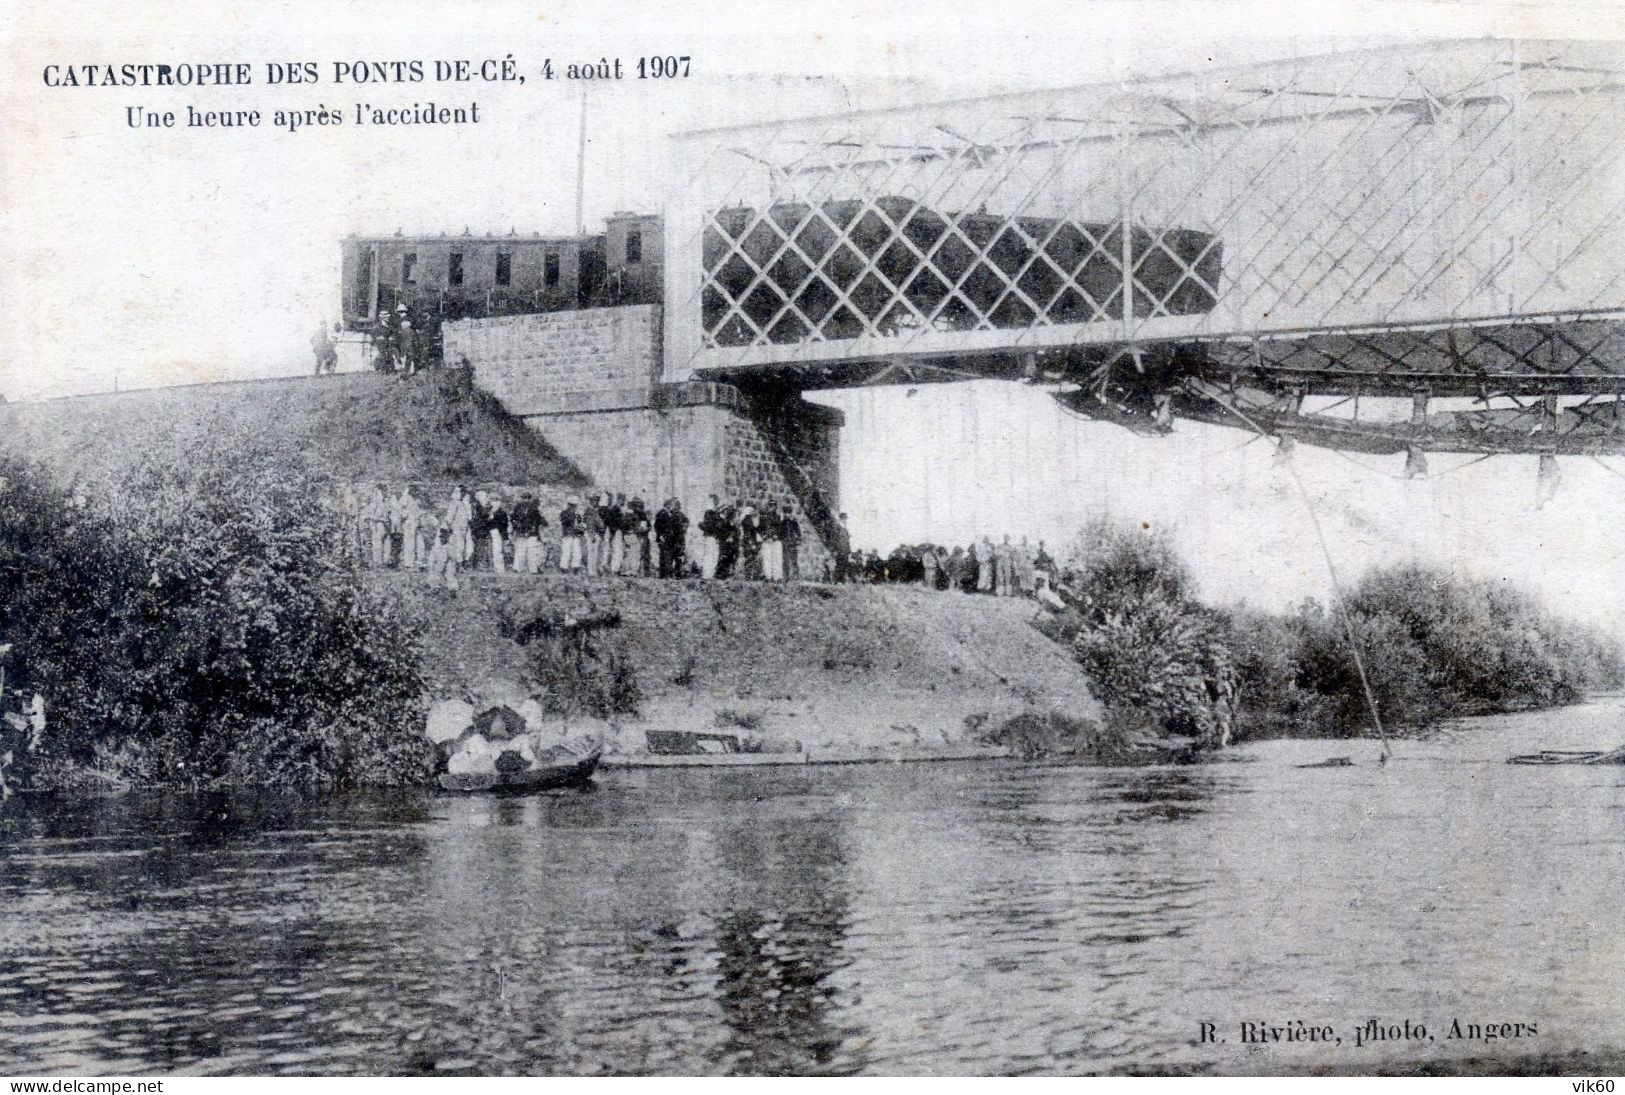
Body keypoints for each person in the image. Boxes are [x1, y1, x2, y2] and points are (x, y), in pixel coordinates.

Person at [510, 491, 546, 574]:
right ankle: (517, 568)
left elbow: (538, 521)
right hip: (521, 531)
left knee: (532, 551)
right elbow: (513, 519)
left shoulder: (534, 508)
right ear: (522, 499)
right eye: (524, 498)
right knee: (520, 550)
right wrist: (516, 526)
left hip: (531, 532)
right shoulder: (517, 507)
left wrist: (533, 528)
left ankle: (533, 569)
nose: (526, 500)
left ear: (530, 499)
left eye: (528, 498)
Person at [654, 497, 689, 578]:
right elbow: (658, 526)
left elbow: (686, 521)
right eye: (675, 505)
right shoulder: (668, 513)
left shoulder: (680, 514)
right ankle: (665, 574)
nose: (676, 507)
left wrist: (684, 527)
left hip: (678, 539)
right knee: (667, 556)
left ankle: (677, 574)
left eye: (678, 506)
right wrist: (660, 536)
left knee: (678, 557)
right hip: (670, 539)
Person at [392, 485, 421, 570]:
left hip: (412, 524)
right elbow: (402, 510)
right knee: (409, 544)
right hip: (408, 524)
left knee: (412, 544)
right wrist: (404, 516)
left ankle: (410, 563)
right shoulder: (406, 498)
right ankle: (408, 563)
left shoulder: (414, 501)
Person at [426, 520, 460, 591]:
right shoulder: (436, 547)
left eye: (444, 537)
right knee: (434, 574)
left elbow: (453, 557)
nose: (442, 539)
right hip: (439, 562)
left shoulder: (450, 546)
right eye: (441, 537)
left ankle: (453, 589)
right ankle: (435, 587)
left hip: (448, 563)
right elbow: (432, 557)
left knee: (450, 574)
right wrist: (431, 564)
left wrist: (453, 563)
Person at [361, 484, 389, 568]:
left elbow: (386, 515)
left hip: (383, 526)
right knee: (377, 544)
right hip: (377, 525)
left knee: (384, 544)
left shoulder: (383, 504)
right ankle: (377, 562)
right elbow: (368, 515)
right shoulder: (373, 504)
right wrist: (378, 519)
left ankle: (382, 561)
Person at [444, 485, 473, 565]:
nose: (463, 493)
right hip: (457, 528)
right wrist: (449, 527)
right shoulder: (454, 502)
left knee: (462, 546)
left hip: (464, 528)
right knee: (458, 546)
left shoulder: (462, 503)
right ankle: (458, 565)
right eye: (462, 491)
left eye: (464, 492)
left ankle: (459, 563)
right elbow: (450, 516)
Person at [624, 496, 652, 576]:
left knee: (635, 552)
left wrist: (643, 530)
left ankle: (634, 570)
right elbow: (625, 524)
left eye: (638, 504)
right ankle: (628, 570)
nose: (637, 506)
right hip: (630, 534)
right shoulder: (629, 513)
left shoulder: (642, 514)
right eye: (635, 504)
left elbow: (648, 526)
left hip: (638, 535)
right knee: (630, 552)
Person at [698, 495, 724, 579]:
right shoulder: (709, 513)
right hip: (710, 536)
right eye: (716, 501)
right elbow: (709, 526)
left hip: (714, 537)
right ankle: (707, 575)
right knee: (709, 555)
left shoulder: (715, 513)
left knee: (714, 555)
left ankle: (710, 574)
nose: (717, 503)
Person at [715, 498, 740, 580]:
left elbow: (732, 530)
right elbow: (719, 531)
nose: (726, 512)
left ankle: (725, 573)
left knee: (728, 557)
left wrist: (731, 535)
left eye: (726, 510)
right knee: (723, 556)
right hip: (723, 540)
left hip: (729, 541)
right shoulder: (720, 521)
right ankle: (720, 573)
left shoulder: (728, 520)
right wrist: (726, 537)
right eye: (724, 510)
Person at [558, 496, 585, 572]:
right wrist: (573, 516)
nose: (573, 507)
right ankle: (564, 567)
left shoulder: (577, 514)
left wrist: (580, 532)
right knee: (566, 551)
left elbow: (580, 524)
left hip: (575, 535)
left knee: (577, 552)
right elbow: (564, 522)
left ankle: (576, 567)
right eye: (572, 505)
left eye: (574, 505)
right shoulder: (564, 513)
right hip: (567, 534)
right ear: (568, 504)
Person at [486, 491, 510, 573]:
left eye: (494, 501)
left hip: (496, 532)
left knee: (497, 551)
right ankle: (496, 568)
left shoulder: (499, 513)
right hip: (494, 532)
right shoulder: (493, 512)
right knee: (495, 551)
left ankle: (499, 569)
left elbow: (503, 525)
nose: (493, 503)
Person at [761, 502, 784, 581]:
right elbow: (762, 529)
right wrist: (766, 536)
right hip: (767, 540)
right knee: (767, 558)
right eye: (770, 506)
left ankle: (777, 577)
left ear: (776, 507)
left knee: (777, 558)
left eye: (773, 506)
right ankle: (768, 576)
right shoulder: (764, 518)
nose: (771, 508)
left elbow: (780, 529)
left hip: (776, 540)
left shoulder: (778, 517)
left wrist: (775, 536)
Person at [780, 504, 802, 581]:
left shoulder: (794, 522)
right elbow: (780, 533)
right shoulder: (782, 522)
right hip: (785, 542)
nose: (787, 514)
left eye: (789, 513)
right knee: (785, 560)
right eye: (785, 513)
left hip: (793, 542)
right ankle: (786, 577)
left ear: (791, 513)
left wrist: (798, 539)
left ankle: (796, 576)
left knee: (794, 560)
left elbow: (798, 532)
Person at [832, 512, 853, 583]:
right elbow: (834, 539)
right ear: (841, 519)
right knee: (839, 564)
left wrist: (849, 550)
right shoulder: (837, 527)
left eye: (846, 519)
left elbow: (847, 541)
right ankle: (837, 580)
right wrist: (835, 550)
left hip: (845, 550)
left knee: (844, 564)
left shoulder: (846, 529)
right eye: (844, 519)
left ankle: (842, 580)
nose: (845, 520)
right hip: (839, 549)